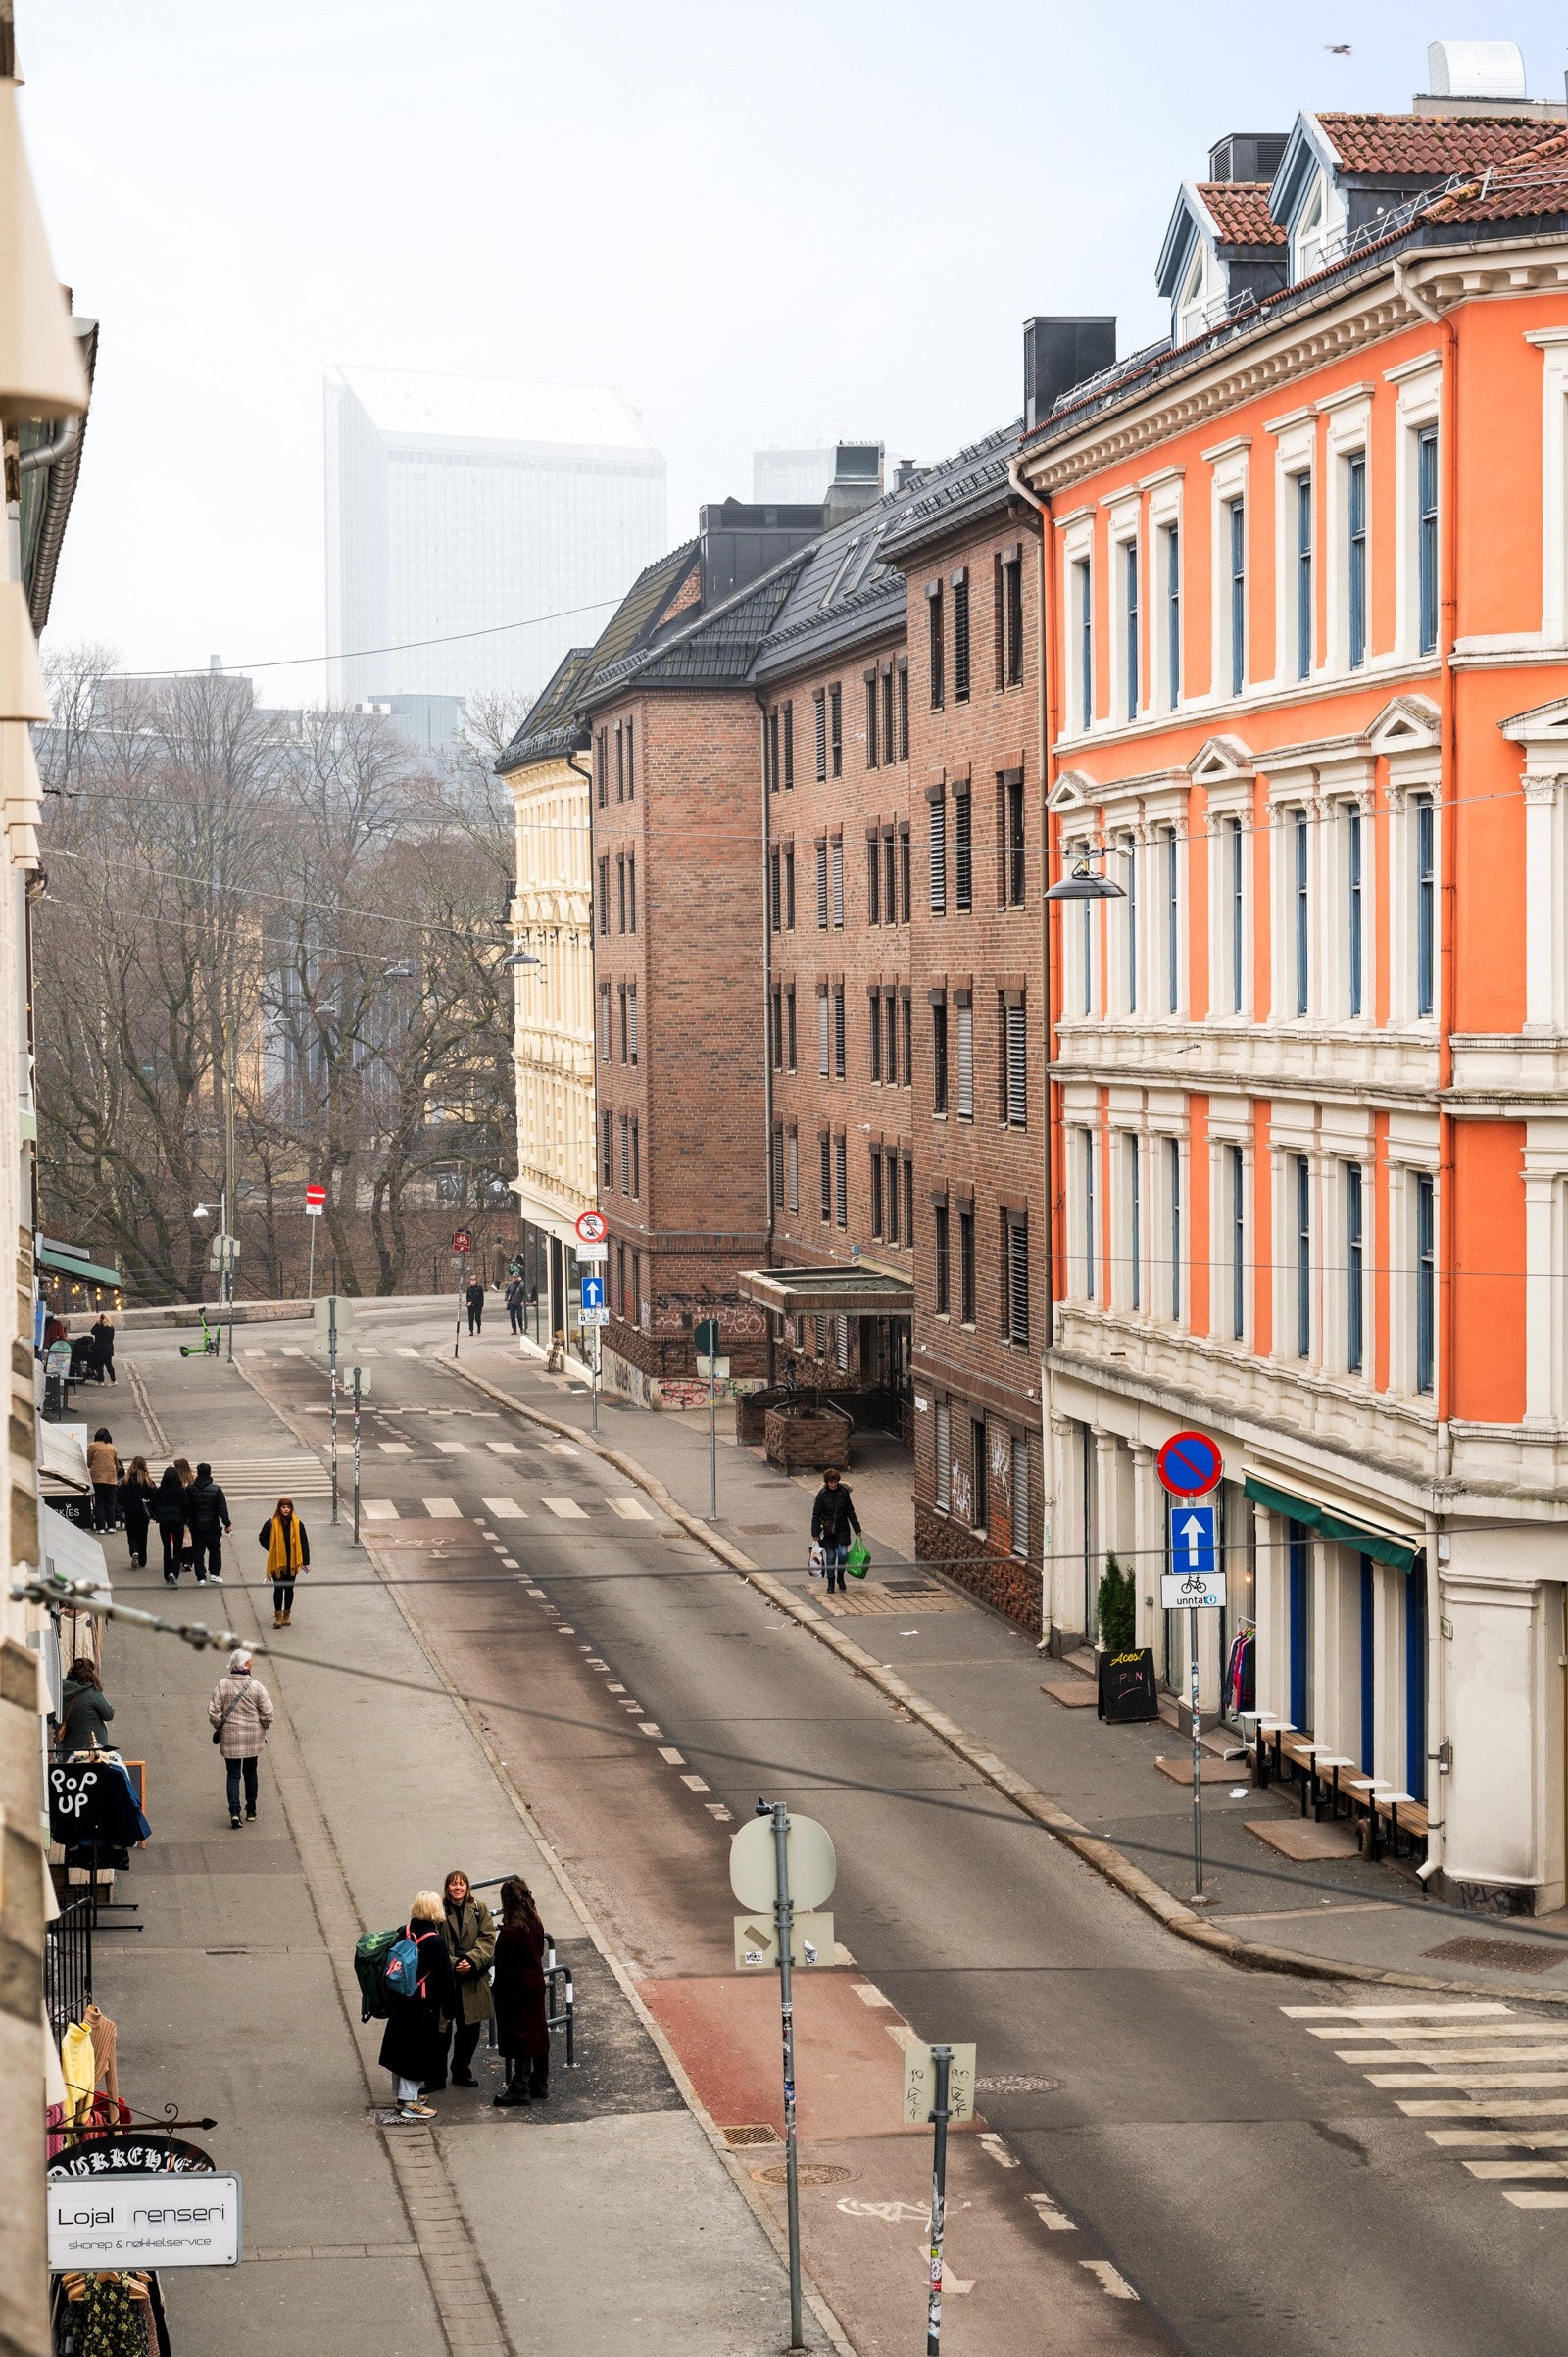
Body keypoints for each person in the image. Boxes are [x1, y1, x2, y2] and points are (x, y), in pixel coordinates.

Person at [378, 1891, 459, 2123]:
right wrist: (449, 2009)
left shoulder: (402, 1931)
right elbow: (446, 1979)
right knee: (418, 2053)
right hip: (424, 2005)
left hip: (401, 2000)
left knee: (401, 2050)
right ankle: (411, 2103)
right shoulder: (434, 1940)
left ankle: (403, 2097)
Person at [491, 1875, 550, 2107]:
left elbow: (503, 1964)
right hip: (535, 1984)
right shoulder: (535, 1922)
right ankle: (540, 2083)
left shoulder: (510, 1932)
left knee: (521, 2037)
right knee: (538, 2032)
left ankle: (520, 2087)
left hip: (515, 1989)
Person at [433, 1870, 496, 2088]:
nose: (457, 1888)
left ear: (467, 1887)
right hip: (447, 1981)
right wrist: (453, 1964)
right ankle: (436, 2076)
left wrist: (471, 1959)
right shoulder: (438, 1910)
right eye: (453, 1884)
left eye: (461, 1884)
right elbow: (434, 1943)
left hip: (472, 1980)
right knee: (441, 2031)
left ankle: (461, 2070)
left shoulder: (479, 1909)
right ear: (447, 1887)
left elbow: (487, 1938)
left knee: (470, 2031)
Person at [207, 1647, 273, 1828]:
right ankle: (251, 1810)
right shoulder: (256, 1686)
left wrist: (220, 1725)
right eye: (250, 1661)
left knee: (233, 1774)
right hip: (253, 1736)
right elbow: (268, 1713)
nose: (252, 1664)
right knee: (250, 1772)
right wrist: (262, 1727)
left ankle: (234, 1812)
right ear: (245, 1664)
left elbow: (213, 1712)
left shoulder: (222, 1685)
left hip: (230, 1736)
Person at [258, 1497, 310, 1628]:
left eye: (288, 1507)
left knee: (289, 1588)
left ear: (291, 1509)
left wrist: (305, 1561)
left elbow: (304, 1542)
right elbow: (262, 1537)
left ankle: (287, 1616)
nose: (286, 1510)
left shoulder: (298, 1524)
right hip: (277, 1562)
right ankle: (278, 1617)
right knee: (279, 1588)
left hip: (292, 1562)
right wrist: (272, 1549)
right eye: (283, 1507)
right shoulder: (271, 1523)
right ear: (279, 1509)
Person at [809, 1464, 861, 1596]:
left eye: (835, 1481)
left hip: (842, 1528)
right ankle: (831, 1581)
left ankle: (840, 1576)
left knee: (843, 1554)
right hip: (827, 1532)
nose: (833, 1484)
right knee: (831, 1556)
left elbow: (850, 1511)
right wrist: (815, 1533)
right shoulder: (822, 1495)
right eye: (830, 1482)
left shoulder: (843, 1493)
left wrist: (857, 1528)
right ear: (827, 1482)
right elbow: (816, 1514)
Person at [183, 1460, 232, 1585]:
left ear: (198, 1473)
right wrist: (227, 1523)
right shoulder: (216, 1489)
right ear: (209, 1473)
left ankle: (200, 1577)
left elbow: (186, 1507)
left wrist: (188, 1521)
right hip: (212, 1526)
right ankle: (214, 1573)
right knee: (215, 1549)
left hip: (196, 1526)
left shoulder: (190, 1489)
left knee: (198, 1551)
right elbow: (222, 1508)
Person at [56, 1657, 116, 1755]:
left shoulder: (61, 1689)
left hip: (70, 1748)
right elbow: (109, 1714)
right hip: (94, 1748)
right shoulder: (92, 1691)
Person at [152, 1465, 187, 1584]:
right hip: (178, 1522)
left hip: (164, 1523)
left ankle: (167, 1573)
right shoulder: (181, 1491)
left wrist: (157, 1516)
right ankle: (174, 1572)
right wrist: (185, 1517)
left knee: (167, 1548)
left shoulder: (159, 1491)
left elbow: (153, 1505)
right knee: (177, 1549)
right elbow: (187, 1506)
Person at [121, 1455, 155, 1569]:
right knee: (143, 1536)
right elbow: (154, 1495)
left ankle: (134, 1551)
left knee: (132, 1535)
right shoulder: (148, 1480)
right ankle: (143, 1560)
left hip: (131, 1512)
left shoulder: (127, 1479)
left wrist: (125, 1505)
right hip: (144, 1514)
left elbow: (119, 1496)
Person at [86, 1430, 122, 1533]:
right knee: (110, 1502)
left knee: (99, 1502)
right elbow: (116, 1464)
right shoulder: (112, 1447)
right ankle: (112, 1526)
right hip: (110, 1478)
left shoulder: (92, 1446)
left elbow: (89, 1462)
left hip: (97, 1477)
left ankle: (100, 1527)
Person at [171, 1457, 198, 1575]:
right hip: (191, 1512)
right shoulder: (192, 1479)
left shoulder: (177, 1481)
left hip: (181, 1512)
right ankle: (188, 1561)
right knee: (188, 1537)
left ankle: (185, 1560)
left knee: (182, 1537)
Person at [87, 1313, 117, 1386]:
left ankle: (101, 1381)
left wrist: (96, 1324)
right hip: (108, 1349)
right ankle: (113, 1380)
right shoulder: (111, 1328)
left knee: (99, 1366)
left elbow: (92, 1331)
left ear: (102, 1320)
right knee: (109, 1365)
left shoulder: (99, 1327)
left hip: (99, 1349)